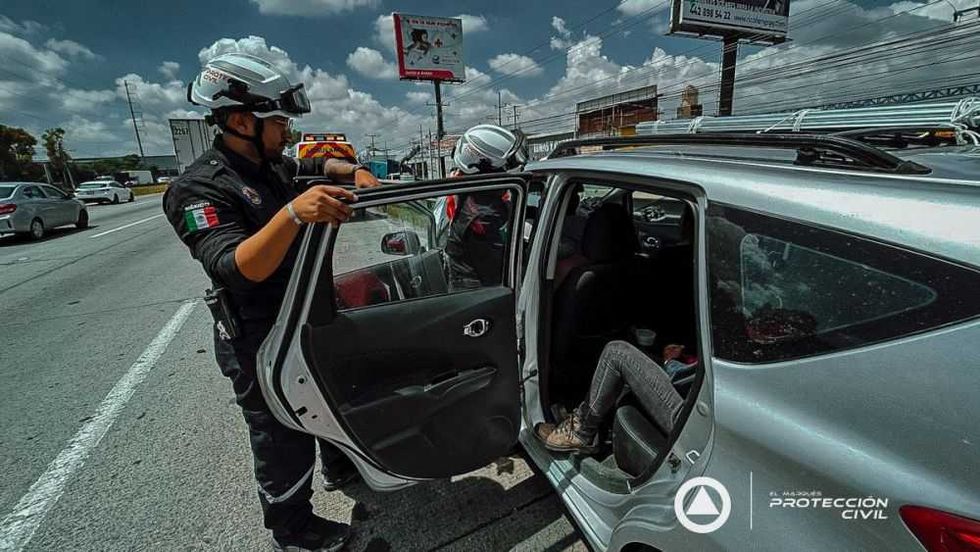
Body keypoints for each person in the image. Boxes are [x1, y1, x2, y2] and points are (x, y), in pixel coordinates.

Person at [163, 52, 380, 552]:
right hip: (259, 335)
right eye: (279, 123)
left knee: (328, 395)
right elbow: (235, 267)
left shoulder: (270, 164)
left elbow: (315, 164)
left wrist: (355, 170)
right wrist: (293, 215)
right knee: (282, 433)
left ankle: (340, 465)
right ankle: (293, 529)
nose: (287, 132)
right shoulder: (197, 189)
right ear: (241, 122)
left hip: (304, 315)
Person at [536, 340, 693, 453]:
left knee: (616, 353)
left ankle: (581, 430)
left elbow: (685, 379)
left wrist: (670, 362)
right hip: (692, 408)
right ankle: (598, 428)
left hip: (687, 419)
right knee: (637, 354)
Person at [444, 124, 528, 289]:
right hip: (481, 296)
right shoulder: (483, 215)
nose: (512, 170)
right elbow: (503, 265)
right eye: (508, 166)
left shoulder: (473, 198)